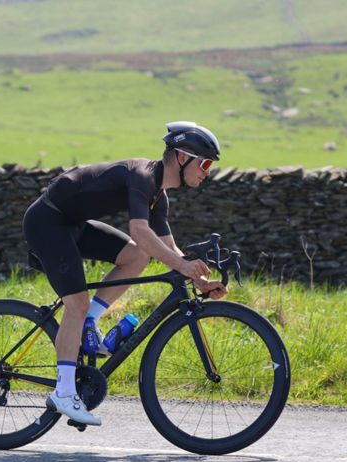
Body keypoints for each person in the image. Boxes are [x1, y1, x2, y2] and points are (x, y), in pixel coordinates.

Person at [22, 121, 228, 426]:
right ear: (183, 157)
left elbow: (169, 249)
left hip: (72, 224)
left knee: (137, 255)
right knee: (76, 304)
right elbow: (139, 231)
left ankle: (89, 321)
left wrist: (200, 280)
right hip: (47, 221)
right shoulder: (142, 177)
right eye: (206, 163)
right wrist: (183, 265)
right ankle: (64, 392)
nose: (207, 172)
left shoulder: (158, 195)